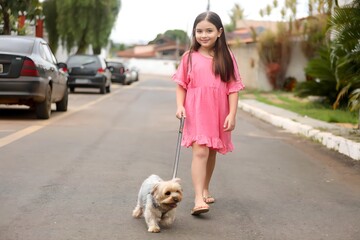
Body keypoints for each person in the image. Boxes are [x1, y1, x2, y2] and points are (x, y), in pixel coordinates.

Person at [172, 11, 245, 215]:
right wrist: (180, 105)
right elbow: (181, 85)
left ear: (219, 32)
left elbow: (233, 87)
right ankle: (197, 198)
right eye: (199, 31)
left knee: (212, 150)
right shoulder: (189, 58)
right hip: (196, 110)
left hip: (218, 110)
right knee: (201, 151)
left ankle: (205, 188)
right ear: (194, 33)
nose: (204, 35)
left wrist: (232, 114)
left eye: (209, 31)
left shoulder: (227, 57)